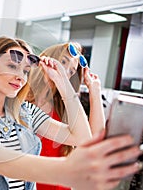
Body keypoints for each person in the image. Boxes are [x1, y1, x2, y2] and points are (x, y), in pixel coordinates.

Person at [0, 36, 143, 190]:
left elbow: (82, 139)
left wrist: (63, 83)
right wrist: (66, 170)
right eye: (11, 66)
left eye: (26, 70)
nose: (20, 76)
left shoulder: (27, 114)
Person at [27, 42, 105, 190]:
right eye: (63, 61)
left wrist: (95, 91)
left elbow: (94, 144)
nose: (64, 71)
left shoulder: (65, 109)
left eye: (71, 71)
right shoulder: (20, 101)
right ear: (48, 58)